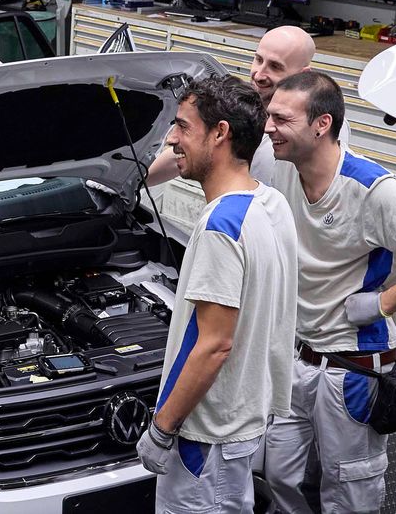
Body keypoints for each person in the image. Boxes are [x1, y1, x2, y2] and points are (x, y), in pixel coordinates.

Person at [260, 71, 396, 513]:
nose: (268, 126)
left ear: (321, 125)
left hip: (354, 365)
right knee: (279, 472)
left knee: (349, 485)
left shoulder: (371, 188)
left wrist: (381, 303)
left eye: (281, 118)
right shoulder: (283, 171)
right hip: (299, 356)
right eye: (269, 115)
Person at [136, 75, 299, 513]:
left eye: (184, 127)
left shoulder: (218, 228)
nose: (172, 139)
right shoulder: (271, 203)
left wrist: (162, 429)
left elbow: (214, 345)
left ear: (220, 133)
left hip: (204, 441)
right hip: (242, 424)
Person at [145, 25, 328, 187]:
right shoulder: (242, 107)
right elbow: (193, 147)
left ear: (302, 74)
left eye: (275, 66)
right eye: (258, 59)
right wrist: (136, 183)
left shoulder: (317, 125)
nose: (259, 74)